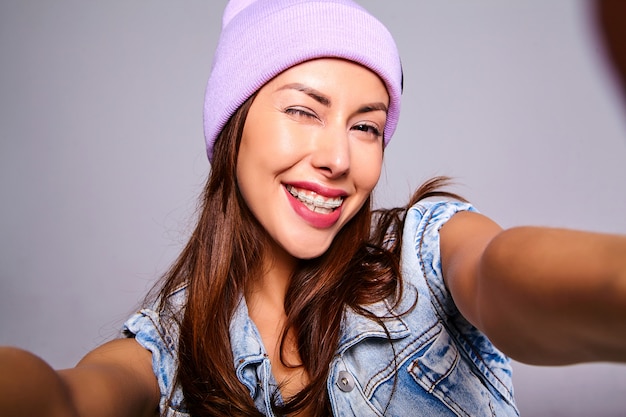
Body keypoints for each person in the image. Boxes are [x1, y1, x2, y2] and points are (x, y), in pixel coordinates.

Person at [1, 0, 625, 416]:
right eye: (303, 110)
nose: (338, 158)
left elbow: (501, 273)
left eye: (367, 128)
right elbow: (66, 399)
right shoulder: (170, 351)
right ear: (233, 127)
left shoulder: (425, 254)